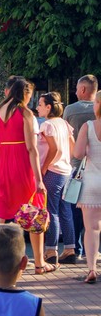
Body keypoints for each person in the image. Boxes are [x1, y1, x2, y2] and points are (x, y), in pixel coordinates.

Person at [0, 76, 50, 274]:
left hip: (0, 164)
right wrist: (39, 179)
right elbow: (32, 149)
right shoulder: (25, 114)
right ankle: (39, 263)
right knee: (33, 212)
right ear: (25, 94)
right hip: (21, 165)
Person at [35, 91, 76, 265]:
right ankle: (70, 248)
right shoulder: (64, 124)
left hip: (53, 170)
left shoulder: (47, 125)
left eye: (40, 104)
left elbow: (55, 149)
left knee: (51, 211)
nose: (37, 108)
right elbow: (71, 147)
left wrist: (44, 168)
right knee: (65, 210)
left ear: (48, 107)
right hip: (66, 170)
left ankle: (51, 250)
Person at [64, 74, 97, 262]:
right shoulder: (97, 111)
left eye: (77, 88)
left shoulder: (70, 110)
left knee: (75, 209)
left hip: (76, 167)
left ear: (83, 90)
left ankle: (76, 248)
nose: (75, 92)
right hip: (97, 167)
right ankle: (93, 249)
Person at [70, 90, 101, 284]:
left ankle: (91, 268)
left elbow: (78, 153)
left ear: (97, 104)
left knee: (91, 229)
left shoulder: (88, 127)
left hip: (91, 181)